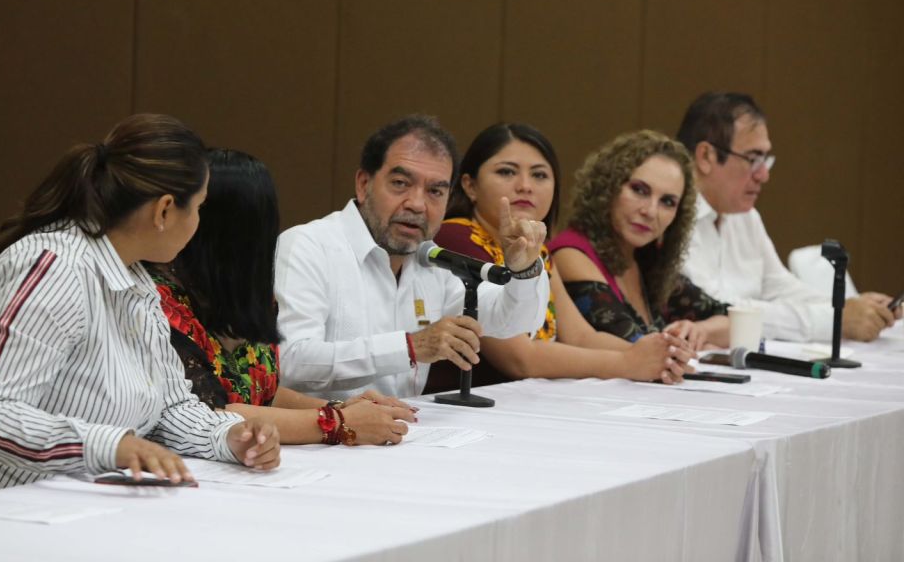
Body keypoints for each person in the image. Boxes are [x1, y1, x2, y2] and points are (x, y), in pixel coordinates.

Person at [0, 114, 279, 505]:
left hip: (56, 507)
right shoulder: (54, 270)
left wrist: (228, 437)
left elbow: (171, 407)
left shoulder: (137, 280)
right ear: (164, 211)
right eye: (198, 208)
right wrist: (111, 446)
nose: (198, 223)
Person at [146, 149, 415, 446]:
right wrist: (338, 422)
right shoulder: (157, 302)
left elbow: (263, 394)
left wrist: (344, 408)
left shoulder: (246, 295)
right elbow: (209, 414)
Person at [274, 114, 550, 400]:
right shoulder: (308, 246)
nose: (417, 204)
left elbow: (510, 322)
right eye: (400, 183)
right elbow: (290, 360)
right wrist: (409, 348)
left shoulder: (431, 263)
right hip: (318, 427)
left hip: (407, 424)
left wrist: (524, 270)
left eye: (435, 191)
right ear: (364, 184)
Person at [426, 123, 695, 391]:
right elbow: (521, 358)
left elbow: (581, 336)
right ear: (470, 185)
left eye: (539, 175)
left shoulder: (537, 250)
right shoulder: (457, 238)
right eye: (507, 172)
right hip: (458, 409)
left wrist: (661, 355)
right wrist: (627, 362)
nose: (525, 186)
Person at [675, 92, 901, 342]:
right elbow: (715, 307)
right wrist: (835, 319)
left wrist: (851, 306)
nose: (763, 175)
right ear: (706, 157)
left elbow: (779, 287)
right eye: (753, 159)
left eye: (765, 160)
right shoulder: (671, 217)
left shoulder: (745, 216)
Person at [549, 130, 730, 350]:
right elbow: (634, 347)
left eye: (667, 202)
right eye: (639, 190)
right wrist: (698, 346)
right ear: (608, 187)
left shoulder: (645, 258)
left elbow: (733, 321)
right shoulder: (571, 253)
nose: (651, 211)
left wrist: (701, 331)